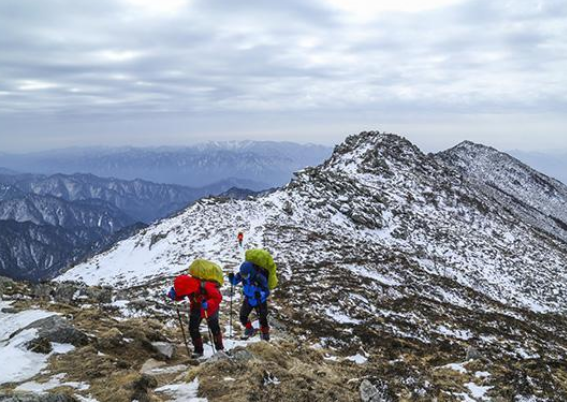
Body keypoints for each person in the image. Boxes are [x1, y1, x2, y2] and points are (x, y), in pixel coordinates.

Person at [167, 274, 223, 358]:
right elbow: (182, 294)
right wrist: (174, 295)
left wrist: (208, 303)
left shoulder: (206, 285)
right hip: (196, 307)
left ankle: (220, 349)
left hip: (211, 309)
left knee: (214, 328)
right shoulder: (187, 286)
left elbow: (218, 298)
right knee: (193, 328)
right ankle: (198, 350)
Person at [229, 261, 270, 341]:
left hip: (260, 301)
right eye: (242, 275)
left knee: (263, 319)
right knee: (243, 317)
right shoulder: (242, 274)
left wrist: (260, 294)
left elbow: (267, 291)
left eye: (245, 275)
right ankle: (249, 329)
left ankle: (265, 334)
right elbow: (234, 282)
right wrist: (231, 279)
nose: (243, 277)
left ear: (250, 272)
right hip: (248, 299)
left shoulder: (259, 277)